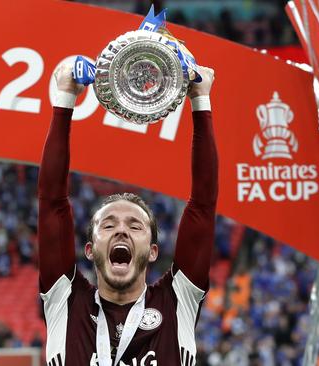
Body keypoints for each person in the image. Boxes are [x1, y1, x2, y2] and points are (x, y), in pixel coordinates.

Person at [38, 63, 217, 365]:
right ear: (90, 249)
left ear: (152, 251)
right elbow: (51, 202)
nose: (121, 230)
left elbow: (203, 204)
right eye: (108, 225)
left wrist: (201, 99)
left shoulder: (177, 300)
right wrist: (65, 98)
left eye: (135, 226)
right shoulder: (65, 300)